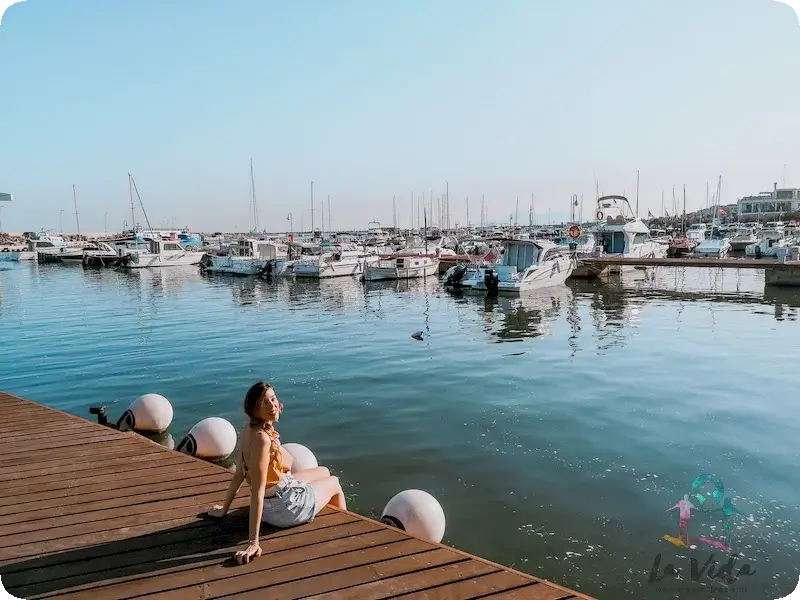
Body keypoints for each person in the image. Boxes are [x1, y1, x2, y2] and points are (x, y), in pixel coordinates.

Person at [207, 382, 346, 564]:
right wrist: (253, 542)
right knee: (334, 482)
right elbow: (257, 489)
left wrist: (224, 510)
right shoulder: (263, 440)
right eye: (264, 403)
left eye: (273, 399)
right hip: (283, 507)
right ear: (255, 410)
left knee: (324, 471)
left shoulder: (250, 431)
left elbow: (239, 474)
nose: (272, 406)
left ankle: (321, 509)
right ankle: (346, 535)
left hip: (276, 496)